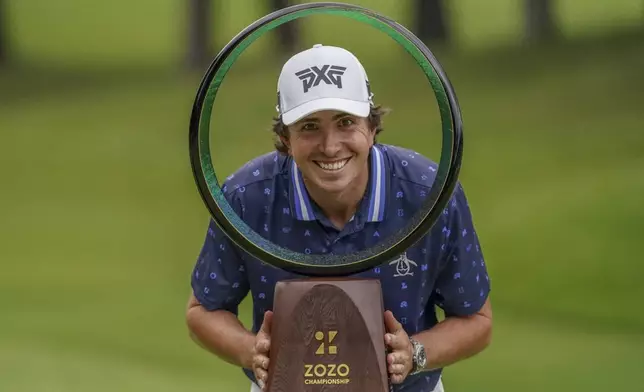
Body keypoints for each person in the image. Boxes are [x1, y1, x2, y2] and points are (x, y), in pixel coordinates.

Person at [186, 44, 493, 392]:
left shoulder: (430, 194)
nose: (330, 146)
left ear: (372, 126)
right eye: (309, 126)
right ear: (285, 138)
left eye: (346, 122)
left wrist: (416, 354)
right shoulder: (247, 197)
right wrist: (249, 351)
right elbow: (203, 310)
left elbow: (476, 320)